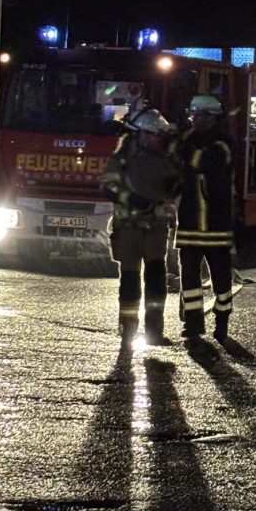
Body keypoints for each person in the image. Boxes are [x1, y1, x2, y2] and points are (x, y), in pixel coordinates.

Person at [100, 108, 181, 353]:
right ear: (138, 133)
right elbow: (108, 187)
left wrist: (173, 185)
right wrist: (131, 199)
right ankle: (128, 330)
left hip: (155, 228)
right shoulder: (121, 158)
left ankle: (155, 331)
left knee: (156, 280)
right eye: (150, 134)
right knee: (130, 281)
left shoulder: (163, 158)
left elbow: (174, 184)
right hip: (129, 228)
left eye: (156, 135)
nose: (153, 138)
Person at [173, 94, 243, 353]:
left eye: (201, 115)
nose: (196, 120)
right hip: (190, 223)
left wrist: (186, 159)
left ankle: (222, 322)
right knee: (189, 278)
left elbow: (209, 167)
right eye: (194, 115)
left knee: (221, 279)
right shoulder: (188, 141)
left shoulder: (223, 144)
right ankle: (192, 324)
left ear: (213, 117)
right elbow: (176, 171)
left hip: (216, 225)